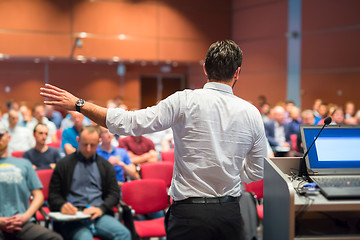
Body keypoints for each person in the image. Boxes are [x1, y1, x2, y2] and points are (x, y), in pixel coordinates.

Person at [40, 39, 267, 240]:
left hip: (189, 214)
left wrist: (80, 105)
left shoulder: (184, 101)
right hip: (229, 212)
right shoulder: (251, 113)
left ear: (206, 69)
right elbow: (257, 171)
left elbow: (129, 123)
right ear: (237, 72)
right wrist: (229, 172)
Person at [48, 125, 130, 240]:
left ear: (99, 142)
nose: (88, 149)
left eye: (92, 145)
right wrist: (62, 205)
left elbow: (114, 194)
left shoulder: (105, 166)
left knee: (124, 234)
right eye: (84, 144)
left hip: (98, 214)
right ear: (78, 140)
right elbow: (53, 195)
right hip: (74, 217)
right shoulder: (64, 164)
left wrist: (101, 208)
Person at [0, 122, 63, 240]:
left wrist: (26, 216)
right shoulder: (28, 155)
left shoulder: (23, 164)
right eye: (40, 133)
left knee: (55, 238)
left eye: (0, 136)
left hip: (23, 222)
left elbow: (38, 195)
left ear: (8, 138)